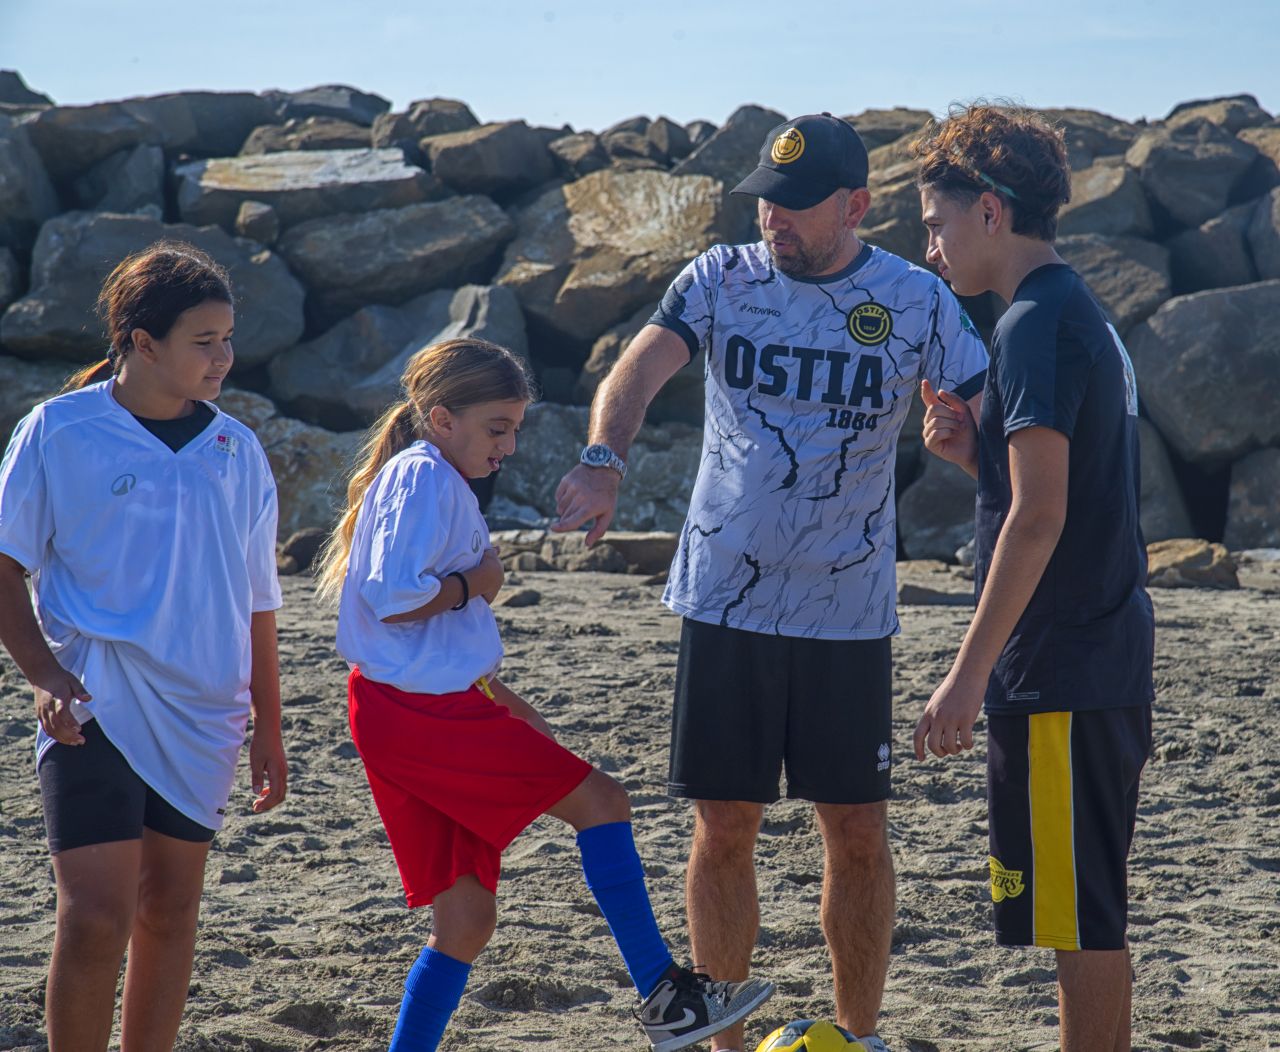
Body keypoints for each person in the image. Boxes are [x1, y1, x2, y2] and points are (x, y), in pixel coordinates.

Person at [554, 113, 989, 1052]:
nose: (772, 219)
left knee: (859, 829)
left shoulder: (915, 301)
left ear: (856, 206)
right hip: (726, 597)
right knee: (725, 821)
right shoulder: (721, 278)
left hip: (847, 610)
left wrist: (971, 459)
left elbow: (994, 438)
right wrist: (603, 458)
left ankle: (858, 1034)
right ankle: (724, 1039)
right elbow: (641, 366)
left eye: (794, 207)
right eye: (765, 200)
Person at [314, 337, 773, 1052]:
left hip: (402, 707)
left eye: (516, 428)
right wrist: (480, 583)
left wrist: (495, 688)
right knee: (604, 803)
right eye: (497, 427)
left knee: (464, 921)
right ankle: (664, 993)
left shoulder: (426, 474)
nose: (510, 445)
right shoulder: (425, 478)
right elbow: (389, 597)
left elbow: (416, 634)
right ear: (441, 419)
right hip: (421, 714)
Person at [0, 242, 288, 1051]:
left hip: (206, 713)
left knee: (168, 911)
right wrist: (44, 672)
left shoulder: (239, 451)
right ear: (140, 340)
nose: (224, 358)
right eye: (205, 340)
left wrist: (270, 724)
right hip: (93, 699)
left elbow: (259, 604)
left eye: (229, 338)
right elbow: (4, 562)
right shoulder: (58, 430)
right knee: (95, 916)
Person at [910, 104, 1154, 1052]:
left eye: (935, 223)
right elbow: (1070, 495)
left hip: (1061, 667)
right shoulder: (1074, 309)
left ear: (989, 214)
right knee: (1081, 908)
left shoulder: (1030, 325)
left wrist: (969, 674)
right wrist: (977, 456)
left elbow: (1044, 518)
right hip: (1096, 653)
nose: (930, 248)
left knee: (1079, 920)